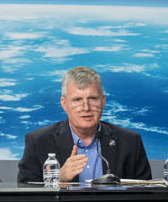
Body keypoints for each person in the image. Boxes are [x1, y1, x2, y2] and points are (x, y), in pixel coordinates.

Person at [17, 66, 151, 184]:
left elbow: (147, 195)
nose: (86, 107)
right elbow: (25, 193)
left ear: (103, 101)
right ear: (64, 104)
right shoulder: (39, 141)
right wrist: (58, 178)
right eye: (77, 100)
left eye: (92, 98)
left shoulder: (130, 141)